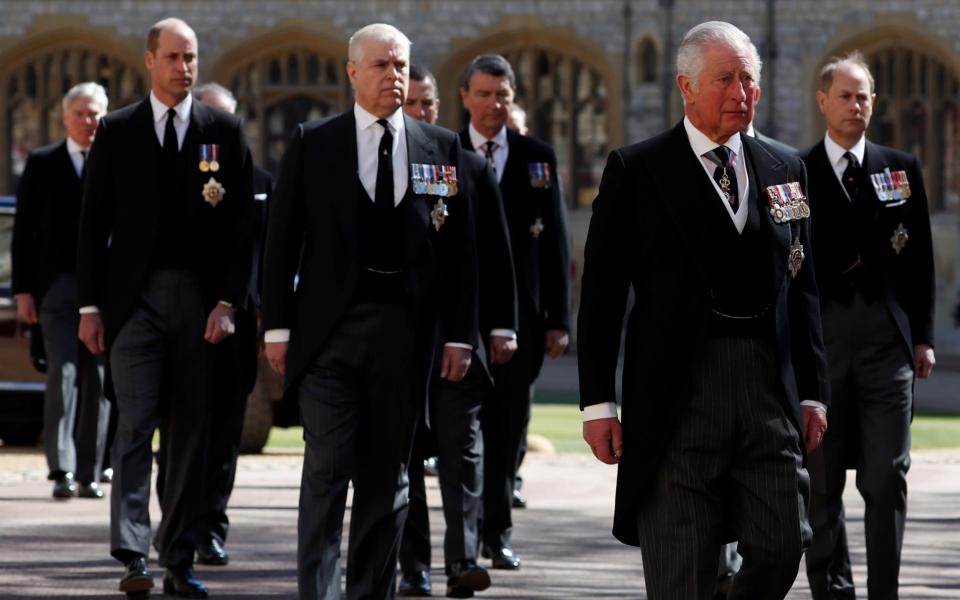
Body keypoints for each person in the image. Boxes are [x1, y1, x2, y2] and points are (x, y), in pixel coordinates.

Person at [577, 21, 830, 600]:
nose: (741, 93)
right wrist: (597, 403)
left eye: (749, 80)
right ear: (686, 87)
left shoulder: (785, 167)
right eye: (725, 79)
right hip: (675, 393)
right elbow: (602, 297)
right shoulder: (637, 170)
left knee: (782, 542)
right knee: (680, 566)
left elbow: (803, 286)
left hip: (766, 386)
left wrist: (813, 391)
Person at [261, 24, 478, 600]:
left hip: (404, 338)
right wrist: (276, 327)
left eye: (402, 65)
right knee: (328, 470)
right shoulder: (315, 142)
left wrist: (460, 336)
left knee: (390, 481)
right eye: (381, 65)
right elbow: (280, 243)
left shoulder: (441, 146)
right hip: (329, 334)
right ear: (353, 73)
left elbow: (460, 253)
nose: (394, 76)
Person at [76, 17, 255, 598]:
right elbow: (92, 225)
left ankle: (177, 558)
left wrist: (228, 302)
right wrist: (89, 306)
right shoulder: (119, 131)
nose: (184, 67)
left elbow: (241, 230)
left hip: (200, 306)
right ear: (149, 60)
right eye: (174, 57)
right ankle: (133, 555)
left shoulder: (223, 131)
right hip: (134, 303)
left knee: (188, 435)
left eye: (192, 57)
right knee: (134, 426)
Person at [802, 51, 936, 600]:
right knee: (822, 483)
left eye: (864, 97)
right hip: (823, 344)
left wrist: (922, 336)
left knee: (886, 474)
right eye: (845, 95)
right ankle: (833, 592)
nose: (855, 106)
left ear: (874, 103)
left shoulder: (900, 168)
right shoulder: (796, 171)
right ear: (822, 101)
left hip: (886, 341)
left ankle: (885, 592)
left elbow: (921, 258)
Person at [397, 65, 516, 598]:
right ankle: (414, 565)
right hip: (398, 345)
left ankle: (463, 558)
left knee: (462, 452)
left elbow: (490, 261)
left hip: (456, 340)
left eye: (429, 104)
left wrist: (486, 331)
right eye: (412, 105)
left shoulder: (468, 169)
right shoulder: (379, 171)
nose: (422, 113)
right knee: (405, 454)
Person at [458, 54, 570, 571]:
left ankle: (496, 533)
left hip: (521, 321)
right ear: (465, 98)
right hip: (458, 319)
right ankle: (463, 537)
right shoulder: (443, 152)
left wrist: (558, 321)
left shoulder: (536, 157)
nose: (493, 105)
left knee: (507, 432)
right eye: (483, 94)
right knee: (460, 434)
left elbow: (556, 247)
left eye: (502, 95)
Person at [171, 82, 270, 567]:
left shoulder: (262, 182)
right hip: (182, 320)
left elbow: (269, 256)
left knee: (226, 431)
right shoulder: (174, 180)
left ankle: (211, 526)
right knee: (180, 430)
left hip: (238, 324)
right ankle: (176, 526)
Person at [11, 82, 111, 500]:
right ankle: (62, 469)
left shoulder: (117, 159)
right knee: (63, 374)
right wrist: (23, 290)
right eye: (82, 113)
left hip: (105, 288)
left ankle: (92, 470)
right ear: (65, 117)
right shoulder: (43, 162)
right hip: (58, 287)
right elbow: (24, 231)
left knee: (99, 378)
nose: (89, 121)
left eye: (95, 114)